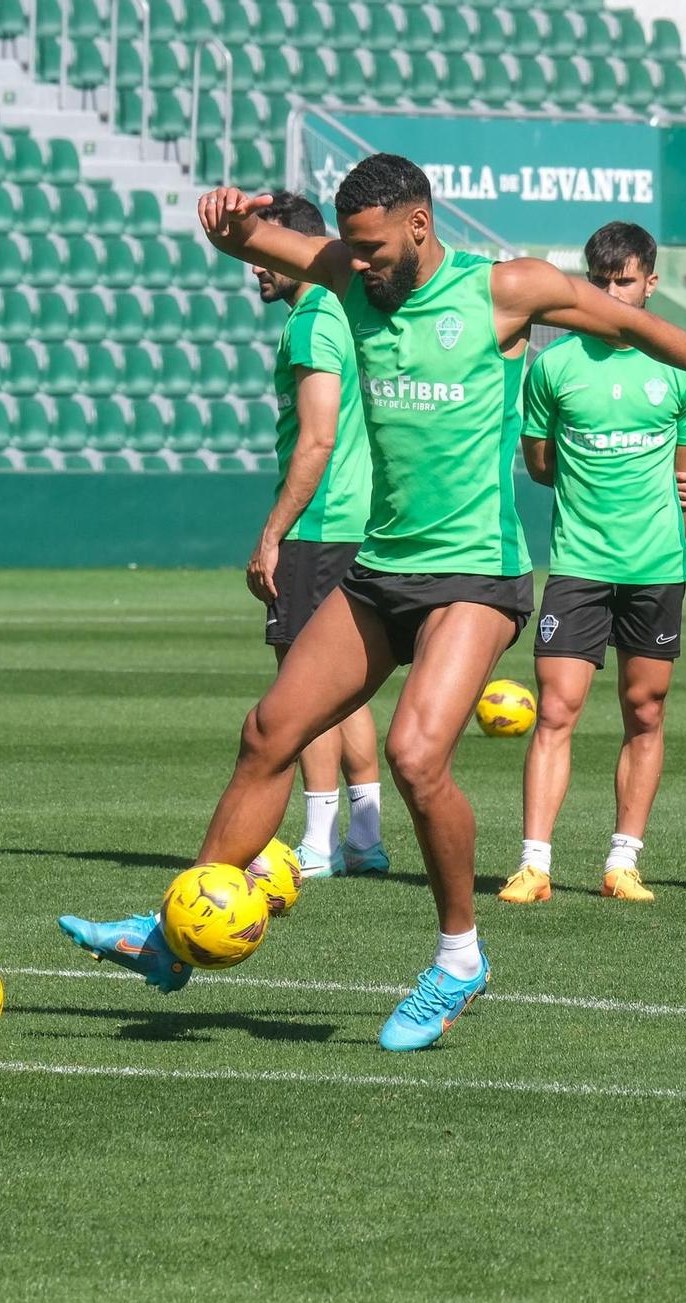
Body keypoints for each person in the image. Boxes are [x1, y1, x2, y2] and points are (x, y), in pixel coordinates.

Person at [58, 154, 686, 1050]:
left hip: (477, 575)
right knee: (270, 731)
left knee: (415, 754)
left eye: (376, 247)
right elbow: (256, 239)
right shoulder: (350, 274)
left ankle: (459, 956)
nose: (362, 264)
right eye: (351, 250)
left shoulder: (507, 290)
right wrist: (228, 223)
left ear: (419, 225)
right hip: (382, 568)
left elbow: (630, 323)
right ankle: (172, 936)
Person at [498, 221, 686, 907]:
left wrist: (664, 551)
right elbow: (539, 464)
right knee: (556, 710)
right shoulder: (554, 366)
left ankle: (624, 859)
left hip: (654, 570)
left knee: (644, 711)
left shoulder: (684, 370)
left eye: (625, 280)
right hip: (579, 564)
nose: (613, 293)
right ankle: (535, 863)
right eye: (601, 281)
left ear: (651, 281)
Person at [241, 190, 387, 881]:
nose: (255, 268)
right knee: (343, 686)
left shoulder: (310, 322)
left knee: (302, 685)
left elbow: (317, 436)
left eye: (264, 254)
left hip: (319, 522)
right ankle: (364, 835)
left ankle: (321, 842)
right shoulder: (343, 311)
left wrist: (274, 531)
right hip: (354, 519)